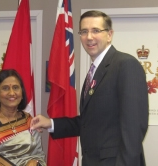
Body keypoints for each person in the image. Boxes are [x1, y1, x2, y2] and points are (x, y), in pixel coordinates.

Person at [30, 10, 149, 166]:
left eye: (96, 31)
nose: (89, 37)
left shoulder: (125, 65)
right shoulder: (95, 71)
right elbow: (89, 122)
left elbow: (134, 129)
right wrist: (51, 123)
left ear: (109, 34)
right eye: (84, 31)